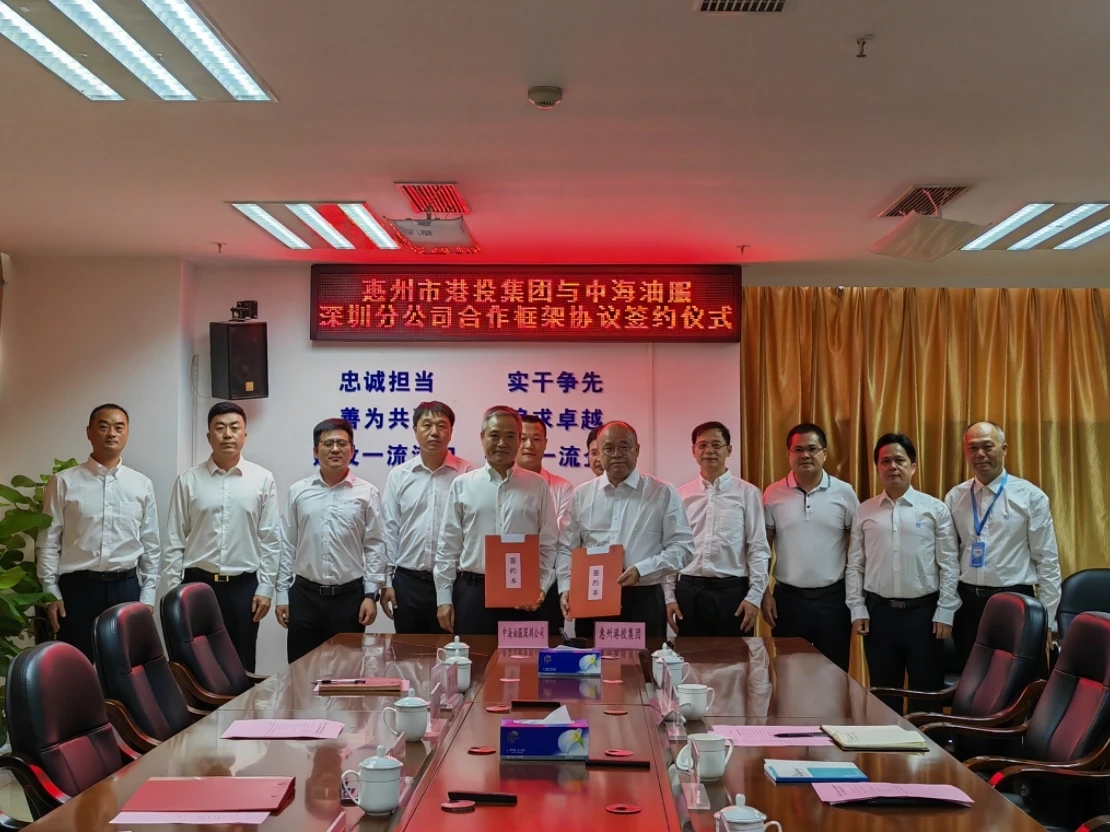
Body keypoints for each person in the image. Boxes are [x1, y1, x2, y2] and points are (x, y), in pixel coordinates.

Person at [36, 404, 161, 661]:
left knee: (126, 667)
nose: (111, 433)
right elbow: (48, 542)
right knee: (75, 667)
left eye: (119, 427)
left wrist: (147, 596)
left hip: (126, 589)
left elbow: (150, 544)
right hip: (77, 591)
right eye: (103, 426)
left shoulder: (141, 484)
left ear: (127, 433)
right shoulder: (63, 482)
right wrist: (50, 591)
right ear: (89, 432)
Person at [845, 433, 960, 714]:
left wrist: (945, 611)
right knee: (884, 696)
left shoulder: (935, 509)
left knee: (926, 695)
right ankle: (887, 743)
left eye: (899, 460)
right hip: (879, 615)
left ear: (913, 466)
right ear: (877, 468)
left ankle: (929, 744)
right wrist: (857, 608)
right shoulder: (864, 511)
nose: (892, 467)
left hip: (925, 616)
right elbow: (855, 565)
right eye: (885, 461)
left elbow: (949, 564)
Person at [165, 401, 281, 672]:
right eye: (220, 428)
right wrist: (173, 590)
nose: (227, 434)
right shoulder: (188, 481)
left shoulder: (262, 479)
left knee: (241, 665)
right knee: (196, 665)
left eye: (234, 428)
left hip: (244, 588)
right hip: (196, 585)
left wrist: (265, 588)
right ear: (209, 436)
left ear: (244, 435)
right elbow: (174, 538)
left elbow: (271, 539)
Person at [558, 421, 694, 639]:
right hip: (593, 597)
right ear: (597, 452)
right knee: (593, 660)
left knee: (643, 660)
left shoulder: (662, 493)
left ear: (637, 449)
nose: (616, 454)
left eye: (624, 447)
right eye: (608, 448)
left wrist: (642, 569)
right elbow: (566, 548)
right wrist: (566, 586)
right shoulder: (581, 495)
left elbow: (683, 548)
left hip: (643, 599)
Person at [945, 421, 1061, 669]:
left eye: (988, 446)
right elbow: (948, 557)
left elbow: (1047, 561)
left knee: (1019, 680)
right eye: (972, 448)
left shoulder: (1031, 497)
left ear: (1004, 449)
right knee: (972, 678)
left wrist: (1046, 620)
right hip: (968, 604)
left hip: (1016, 602)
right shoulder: (955, 497)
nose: (980, 454)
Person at [434, 406, 558, 635]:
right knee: (475, 656)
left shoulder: (537, 485)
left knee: (522, 657)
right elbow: (448, 546)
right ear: (482, 437)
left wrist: (540, 586)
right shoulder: (463, 485)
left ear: (519, 440)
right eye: (494, 435)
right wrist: (443, 598)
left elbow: (548, 543)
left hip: (523, 594)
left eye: (510, 436)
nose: (502, 443)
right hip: (473, 591)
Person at [274, 418, 386, 663]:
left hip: (350, 599)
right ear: (316, 451)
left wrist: (370, 595)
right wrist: (282, 594)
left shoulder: (367, 493)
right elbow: (287, 544)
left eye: (342, 444)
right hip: (304, 597)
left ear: (352, 450)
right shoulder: (298, 492)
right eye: (328, 443)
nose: (335, 449)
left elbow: (375, 545)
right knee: (301, 671)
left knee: (347, 673)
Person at [761, 423, 859, 671]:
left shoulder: (844, 492)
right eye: (798, 449)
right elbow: (763, 548)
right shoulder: (773, 494)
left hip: (833, 601)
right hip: (788, 601)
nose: (805, 455)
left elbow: (857, 549)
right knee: (790, 674)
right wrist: (764, 593)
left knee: (834, 674)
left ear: (824, 453)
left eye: (812, 449)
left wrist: (856, 598)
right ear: (789, 455)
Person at [380, 401, 475, 633]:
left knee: (453, 650)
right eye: (427, 425)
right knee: (408, 651)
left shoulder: (468, 475)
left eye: (442, 426)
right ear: (415, 430)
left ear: (451, 432)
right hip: (408, 583)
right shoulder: (399, 476)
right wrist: (386, 582)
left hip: (455, 583)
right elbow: (389, 530)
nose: (434, 432)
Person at [670, 421, 770, 637]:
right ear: (694, 451)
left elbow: (758, 548)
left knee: (735, 657)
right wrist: (669, 597)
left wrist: (754, 597)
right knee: (691, 656)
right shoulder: (681, 495)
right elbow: (672, 548)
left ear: (729, 450)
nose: (709, 451)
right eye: (702, 445)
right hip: (689, 592)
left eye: (716, 445)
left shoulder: (747, 493)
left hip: (732, 595)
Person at [519, 414, 575, 633]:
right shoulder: (500, 487)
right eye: (522, 438)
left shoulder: (563, 488)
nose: (529, 445)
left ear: (545, 443)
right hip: (509, 579)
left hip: (549, 582)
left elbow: (558, 538)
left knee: (546, 648)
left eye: (536, 439)